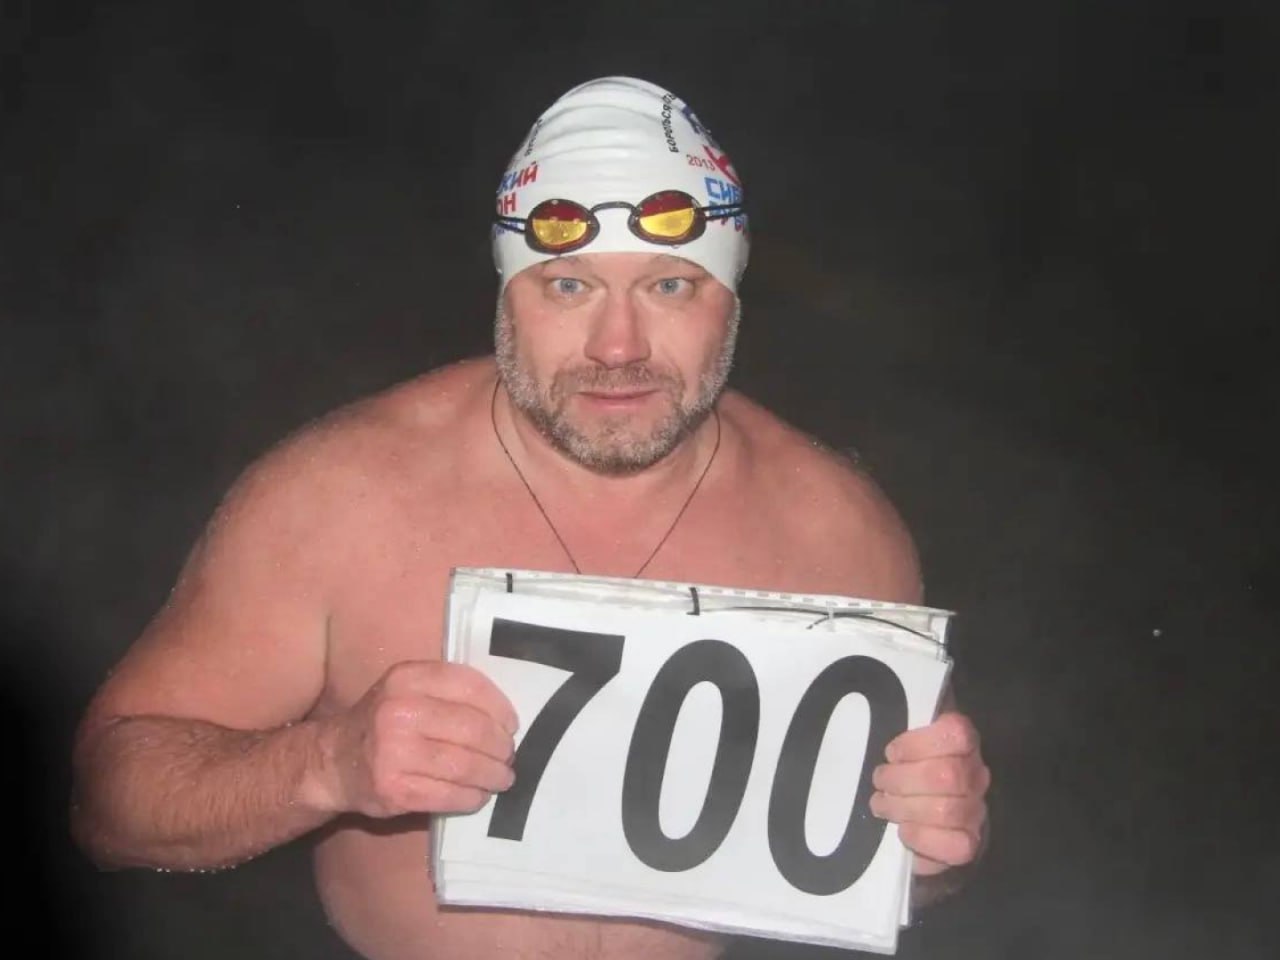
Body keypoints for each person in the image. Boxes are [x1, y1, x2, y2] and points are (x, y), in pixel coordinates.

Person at [72, 76, 990, 960]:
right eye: (568, 287)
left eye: (670, 286)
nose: (618, 347)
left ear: (731, 302)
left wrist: (938, 848)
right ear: (506, 296)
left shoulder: (836, 532)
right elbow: (110, 802)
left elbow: (905, 873)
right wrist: (324, 765)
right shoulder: (340, 498)